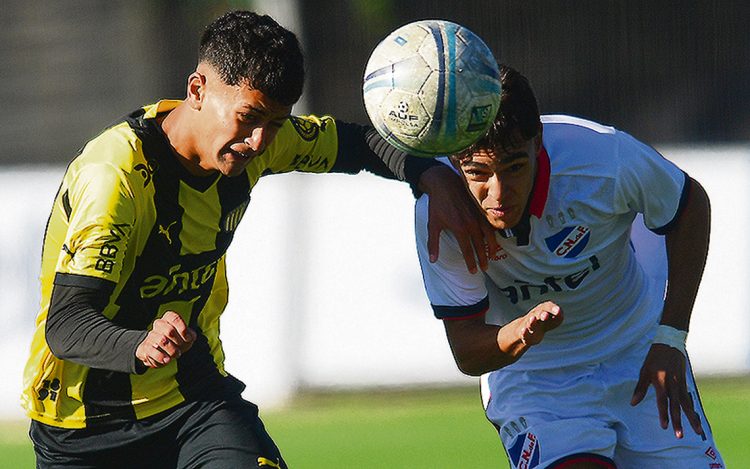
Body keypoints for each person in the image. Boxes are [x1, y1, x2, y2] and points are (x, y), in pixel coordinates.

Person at [20, 10, 494, 469]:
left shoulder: (259, 141)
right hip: (83, 427)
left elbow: (353, 143)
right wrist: (140, 344)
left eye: (276, 123)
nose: (260, 142)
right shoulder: (116, 177)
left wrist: (430, 173)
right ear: (197, 90)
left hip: (193, 401)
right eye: (249, 117)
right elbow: (68, 326)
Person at [414, 64, 725, 468]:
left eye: (514, 168)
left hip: (638, 354)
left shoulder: (603, 158)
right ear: (456, 163)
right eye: (478, 173)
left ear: (538, 141)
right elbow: (468, 353)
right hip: (536, 381)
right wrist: (521, 332)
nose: (498, 192)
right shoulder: (441, 216)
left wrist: (670, 337)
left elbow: (689, 205)